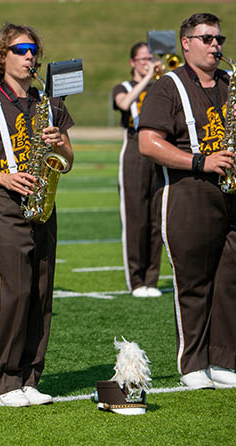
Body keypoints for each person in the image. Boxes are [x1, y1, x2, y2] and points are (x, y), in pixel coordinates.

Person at [0, 23, 74, 407]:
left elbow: (68, 160)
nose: (29, 57)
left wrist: (61, 146)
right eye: (21, 50)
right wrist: (3, 177)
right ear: (1, 56)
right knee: (15, 293)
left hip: (44, 205)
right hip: (6, 208)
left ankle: (31, 377)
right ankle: (5, 381)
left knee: (41, 294)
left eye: (33, 50)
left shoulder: (51, 103)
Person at [139, 12, 236, 390]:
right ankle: (193, 361)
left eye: (220, 39)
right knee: (194, 282)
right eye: (207, 38)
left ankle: (225, 359)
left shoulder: (229, 83)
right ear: (186, 43)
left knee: (229, 280)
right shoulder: (169, 86)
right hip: (189, 190)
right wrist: (201, 160)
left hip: (230, 192)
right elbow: (148, 143)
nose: (216, 45)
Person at [112, 42, 163, 298]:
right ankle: (136, 280)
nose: (147, 62)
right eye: (143, 59)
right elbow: (124, 104)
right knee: (135, 218)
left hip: (159, 151)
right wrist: (147, 79)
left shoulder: (159, 87)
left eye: (150, 58)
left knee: (156, 218)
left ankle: (152, 280)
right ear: (133, 62)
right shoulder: (124, 87)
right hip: (133, 149)